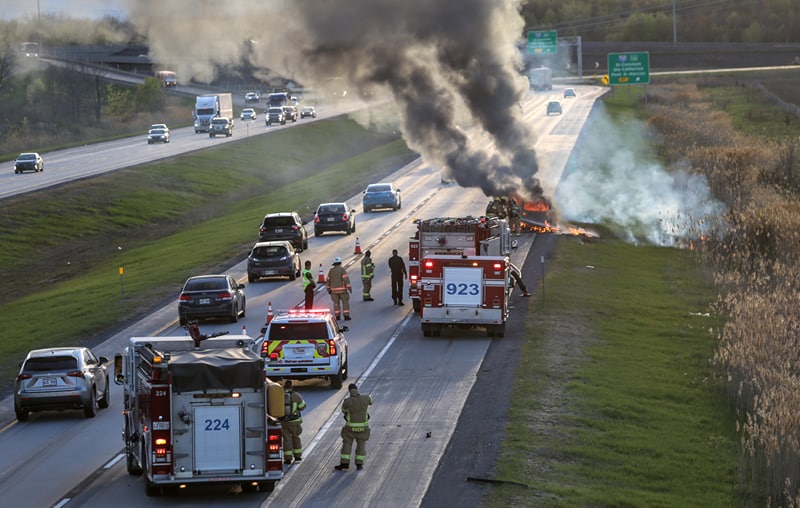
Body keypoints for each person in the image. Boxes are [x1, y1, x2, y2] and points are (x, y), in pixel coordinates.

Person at [334, 383, 373, 471]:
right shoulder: (366, 398)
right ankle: (359, 464)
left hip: (350, 428)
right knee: (361, 445)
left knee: (347, 444)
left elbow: (343, 411)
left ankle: (344, 463)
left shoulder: (347, 401)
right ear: (357, 390)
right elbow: (371, 400)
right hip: (363, 428)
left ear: (349, 391)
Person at [282, 380, 306, 465]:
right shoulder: (296, 395)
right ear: (292, 387)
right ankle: (297, 456)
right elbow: (303, 406)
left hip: (284, 422)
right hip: (295, 422)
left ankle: (288, 458)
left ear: (284, 387)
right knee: (296, 437)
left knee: (286, 439)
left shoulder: (280, 395)